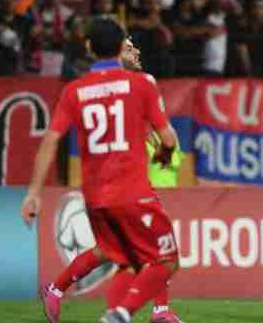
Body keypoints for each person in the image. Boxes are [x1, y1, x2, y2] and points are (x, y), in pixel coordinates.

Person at [21, 17, 183, 323]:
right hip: (131, 187)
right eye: (130, 46)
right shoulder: (141, 84)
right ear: (118, 47)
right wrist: (164, 150)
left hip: (96, 193)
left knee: (114, 253)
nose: (136, 51)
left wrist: (33, 193)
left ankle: (58, 289)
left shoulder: (76, 90)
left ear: (90, 47)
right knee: (161, 256)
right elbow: (167, 138)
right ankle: (136, 313)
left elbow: (51, 140)